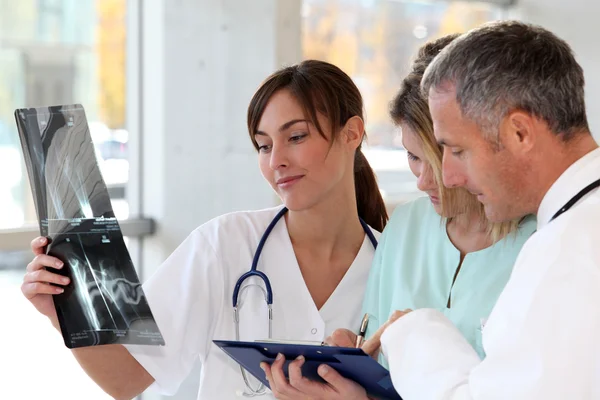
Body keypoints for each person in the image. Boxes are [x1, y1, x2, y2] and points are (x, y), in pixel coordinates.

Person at [20, 60, 388, 400]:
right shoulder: (224, 244)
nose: (276, 160)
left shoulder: (394, 265)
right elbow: (127, 378)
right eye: (263, 145)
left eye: (296, 137)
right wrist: (63, 309)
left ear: (351, 133)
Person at [261, 35, 536, 399]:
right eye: (412, 157)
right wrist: (353, 366)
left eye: (435, 159)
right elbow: (382, 373)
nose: (422, 180)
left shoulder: (542, 239)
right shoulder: (405, 227)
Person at [379, 21, 600, 399]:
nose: (448, 176)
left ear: (519, 133)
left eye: (458, 150)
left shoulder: (570, 251)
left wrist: (412, 333)